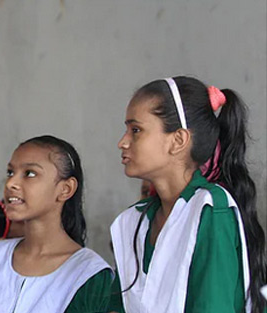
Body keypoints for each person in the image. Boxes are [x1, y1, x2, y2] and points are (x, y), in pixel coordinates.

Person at [109, 77, 267, 313]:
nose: (123, 142)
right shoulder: (131, 222)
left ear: (178, 140)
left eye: (136, 130)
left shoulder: (209, 210)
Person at [0, 136, 113, 312]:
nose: (11, 183)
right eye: (10, 172)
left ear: (65, 189)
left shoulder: (88, 272)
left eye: (29, 173)